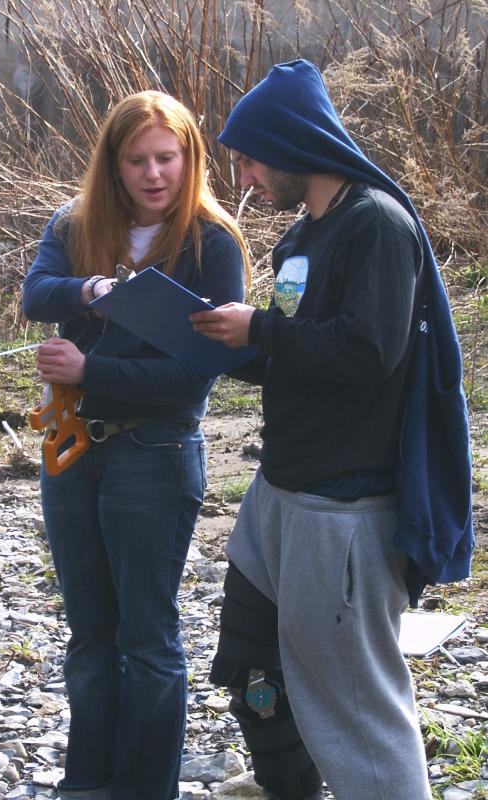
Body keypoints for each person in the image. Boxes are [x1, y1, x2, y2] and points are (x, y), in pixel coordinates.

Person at [190, 60, 474, 800]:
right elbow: (296, 352)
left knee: (359, 708)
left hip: (342, 514)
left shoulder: (377, 224)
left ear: (288, 142)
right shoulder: (302, 237)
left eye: (249, 159)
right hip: (276, 498)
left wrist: (262, 330)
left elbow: (368, 352)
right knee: (256, 670)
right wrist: (223, 344)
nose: (245, 178)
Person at [22, 90, 249, 800]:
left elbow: (191, 379)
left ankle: (144, 789)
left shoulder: (213, 244)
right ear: (113, 166)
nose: (154, 174)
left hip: (157, 451)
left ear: (189, 159)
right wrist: (90, 289)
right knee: (89, 632)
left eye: (167, 158)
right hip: (74, 450)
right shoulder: (75, 224)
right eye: (137, 160)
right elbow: (37, 294)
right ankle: (86, 783)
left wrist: (92, 369)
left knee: (146, 638)